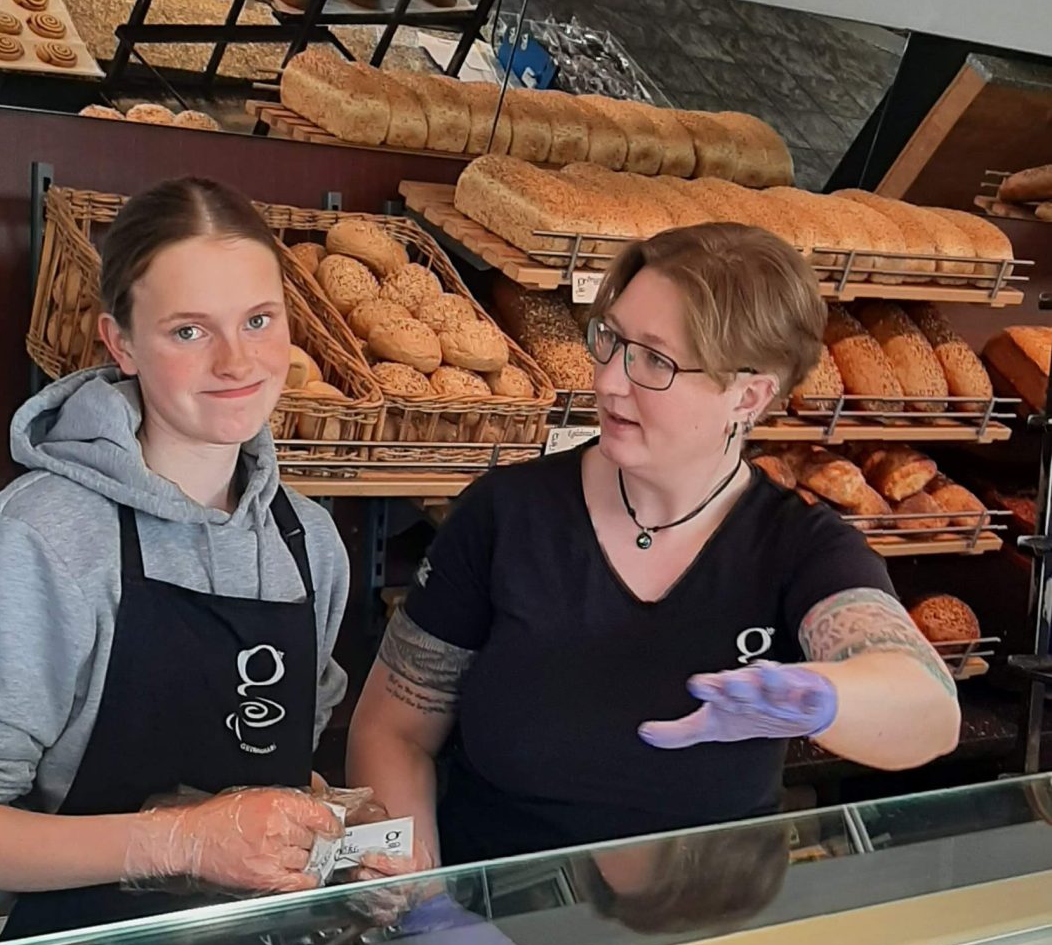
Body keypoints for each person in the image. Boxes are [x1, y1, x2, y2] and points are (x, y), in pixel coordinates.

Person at [348, 222, 961, 865]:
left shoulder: (798, 548)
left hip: (703, 918)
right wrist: (422, 903)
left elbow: (929, 710)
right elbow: (392, 731)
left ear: (749, 395)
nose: (611, 380)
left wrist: (816, 699)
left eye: (656, 361)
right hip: (498, 909)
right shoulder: (506, 516)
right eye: (611, 339)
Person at [0, 175, 388, 938]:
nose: (237, 362)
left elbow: (279, 769)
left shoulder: (309, 543)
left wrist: (337, 846)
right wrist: (182, 842)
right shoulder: (37, 540)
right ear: (120, 343)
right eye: (188, 331)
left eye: (258, 320)